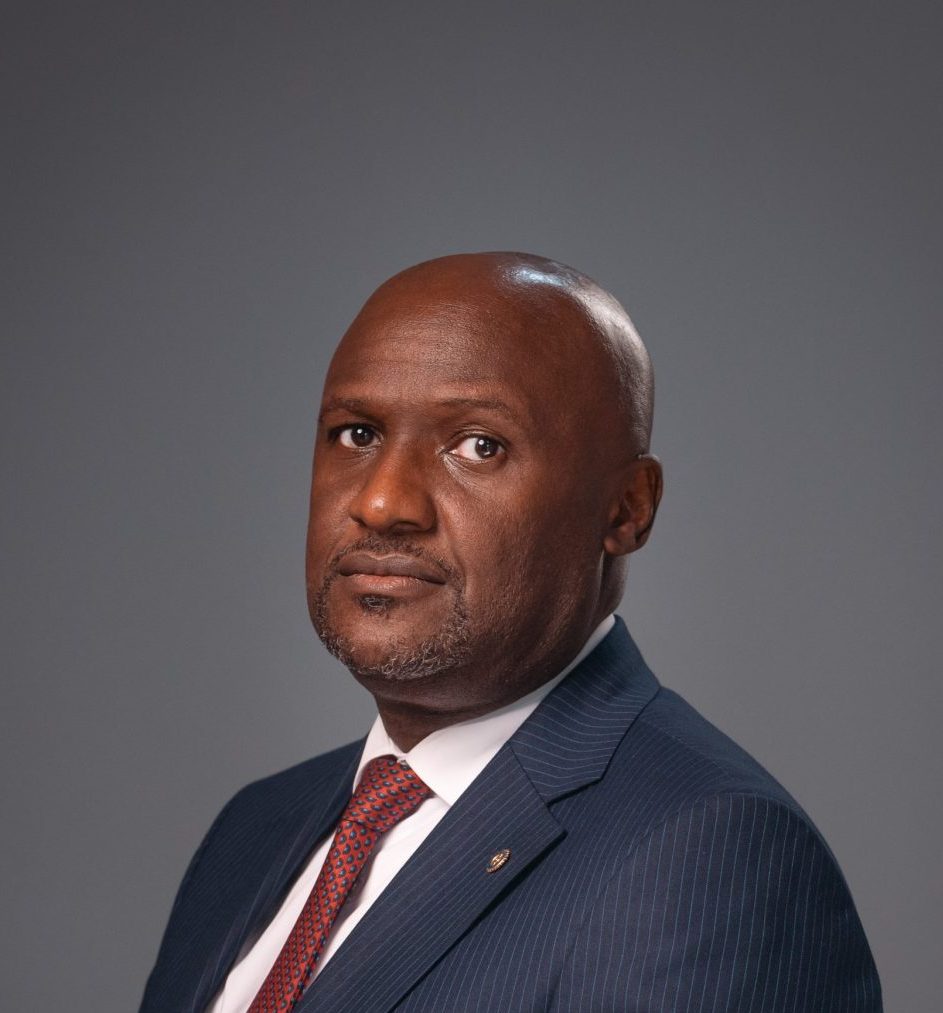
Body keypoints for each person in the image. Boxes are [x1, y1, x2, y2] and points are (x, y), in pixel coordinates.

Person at [140, 252, 881, 1012]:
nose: (382, 502)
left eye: (478, 446)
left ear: (626, 509)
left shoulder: (709, 853)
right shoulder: (257, 827)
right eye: (357, 433)